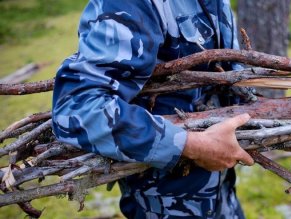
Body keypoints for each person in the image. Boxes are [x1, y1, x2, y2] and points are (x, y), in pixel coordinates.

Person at [52, 0, 255, 218]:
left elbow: (224, 80)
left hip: (223, 195)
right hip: (165, 202)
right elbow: (79, 105)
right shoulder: (132, 4)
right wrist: (193, 145)